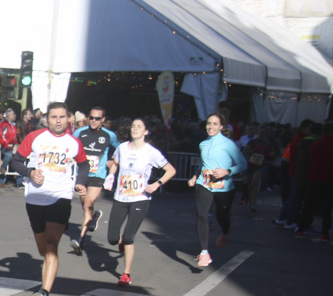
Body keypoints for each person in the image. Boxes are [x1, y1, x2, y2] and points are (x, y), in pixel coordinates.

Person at [10, 102, 89, 296]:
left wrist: (80, 182)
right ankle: (47, 273)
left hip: (61, 197)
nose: (58, 121)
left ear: (68, 119)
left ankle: (44, 292)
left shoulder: (74, 143)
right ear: (47, 119)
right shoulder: (34, 137)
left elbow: (83, 164)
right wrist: (30, 172)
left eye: (62, 117)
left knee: (53, 244)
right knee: (43, 249)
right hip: (35, 198)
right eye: (54, 117)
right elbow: (15, 162)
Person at [105, 117, 175, 286]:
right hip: (121, 197)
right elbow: (114, 162)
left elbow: (171, 170)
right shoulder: (122, 148)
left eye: (139, 127)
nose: (135, 129)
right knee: (113, 239)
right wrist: (111, 175)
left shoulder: (151, 152)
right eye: (133, 126)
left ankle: (126, 274)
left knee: (129, 237)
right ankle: (120, 240)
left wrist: (156, 184)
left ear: (145, 132)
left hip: (140, 198)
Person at [186, 112, 247, 267]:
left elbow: (243, 164)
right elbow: (203, 164)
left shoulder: (228, 144)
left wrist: (226, 172)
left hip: (224, 187)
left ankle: (225, 231)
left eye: (214, 124)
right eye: (208, 123)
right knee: (202, 215)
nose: (210, 127)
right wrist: (195, 176)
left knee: (222, 215)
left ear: (221, 126)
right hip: (204, 184)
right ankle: (204, 252)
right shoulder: (203, 144)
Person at [70, 106, 119, 255]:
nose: (93, 121)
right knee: (85, 205)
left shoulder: (109, 135)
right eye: (91, 118)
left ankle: (81, 240)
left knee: (88, 204)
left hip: (98, 174)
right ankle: (94, 216)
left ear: (103, 120)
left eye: (97, 118)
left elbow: (120, 150)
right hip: (82, 173)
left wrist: (112, 160)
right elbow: (69, 146)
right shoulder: (79, 132)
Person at [295, 122, 333, 241]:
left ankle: (300, 229)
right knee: (327, 207)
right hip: (330, 178)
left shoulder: (315, 145)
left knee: (308, 205)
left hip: (315, 177)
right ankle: (324, 233)